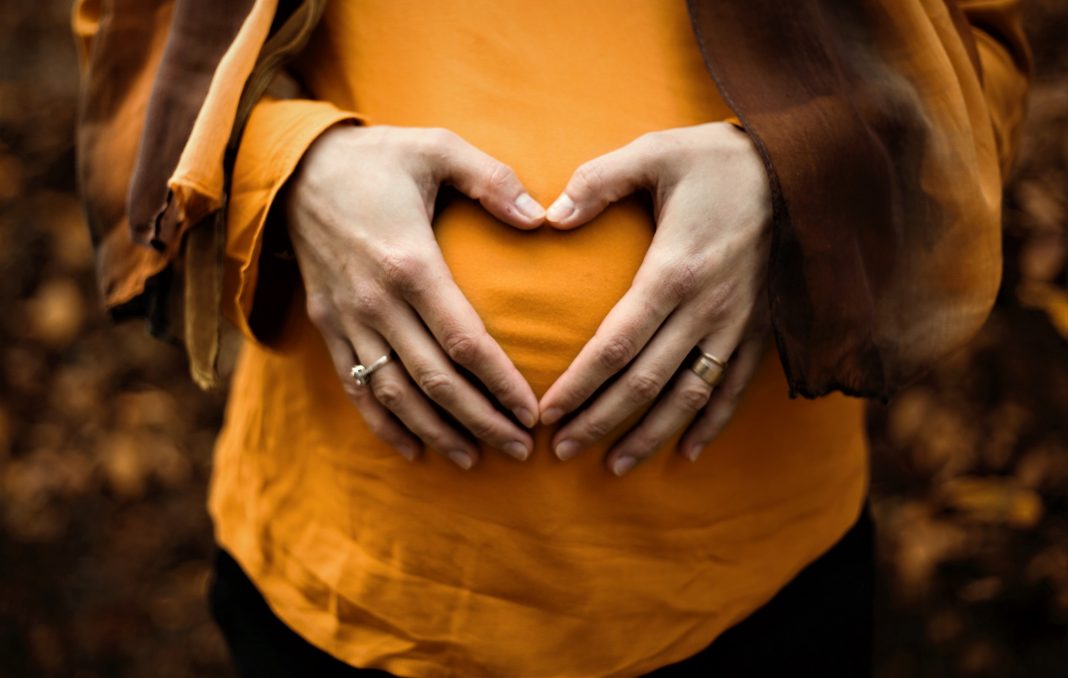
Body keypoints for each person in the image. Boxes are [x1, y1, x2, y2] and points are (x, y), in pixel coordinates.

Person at [73, 0, 1031, 675]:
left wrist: (793, 181)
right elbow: (139, 40)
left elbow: (974, 59)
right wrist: (287, 170)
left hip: (751, 589)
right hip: (347, 586)